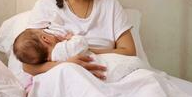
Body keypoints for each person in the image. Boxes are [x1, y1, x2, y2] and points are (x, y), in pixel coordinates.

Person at [13, 28, 145, 82]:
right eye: (46, 31)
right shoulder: (61, 48)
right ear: (45, 39)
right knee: (118, 68)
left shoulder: (52, 57)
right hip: (100, 67)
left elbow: (128, 50)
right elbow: (81, 44)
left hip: (94, 68)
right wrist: (72, 38)